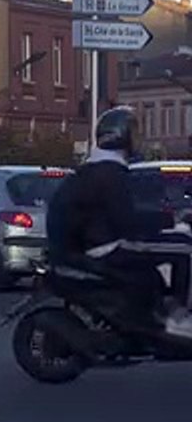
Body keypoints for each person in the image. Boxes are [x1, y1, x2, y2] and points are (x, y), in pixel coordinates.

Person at [46, 106, 192, 338]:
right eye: (134, 133)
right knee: (184, 247)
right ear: (121, 136)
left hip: (93, 243)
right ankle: (178, 317)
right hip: (105, 246)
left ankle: (160, 307)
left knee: (173, 246)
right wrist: (171, 220)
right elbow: (127, 222)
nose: (139, 139)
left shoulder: (96, 170)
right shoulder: (110, 174)